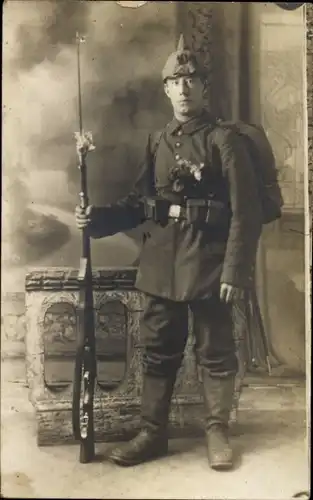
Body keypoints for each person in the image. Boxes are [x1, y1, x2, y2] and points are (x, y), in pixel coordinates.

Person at [75, 35, 262, 470]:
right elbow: (138, 205)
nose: (183, 88)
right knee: (159, 349)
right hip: (162, 263)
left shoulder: (223, 141)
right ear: (165, 89)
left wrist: (235, 270)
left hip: (211, 262)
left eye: (190, 79)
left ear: (204, 88)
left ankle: (217, 431)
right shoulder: (157, 142)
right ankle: (152, 433)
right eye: (175, 81)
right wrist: (97, 219)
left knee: (215, 351)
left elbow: (246, 213)